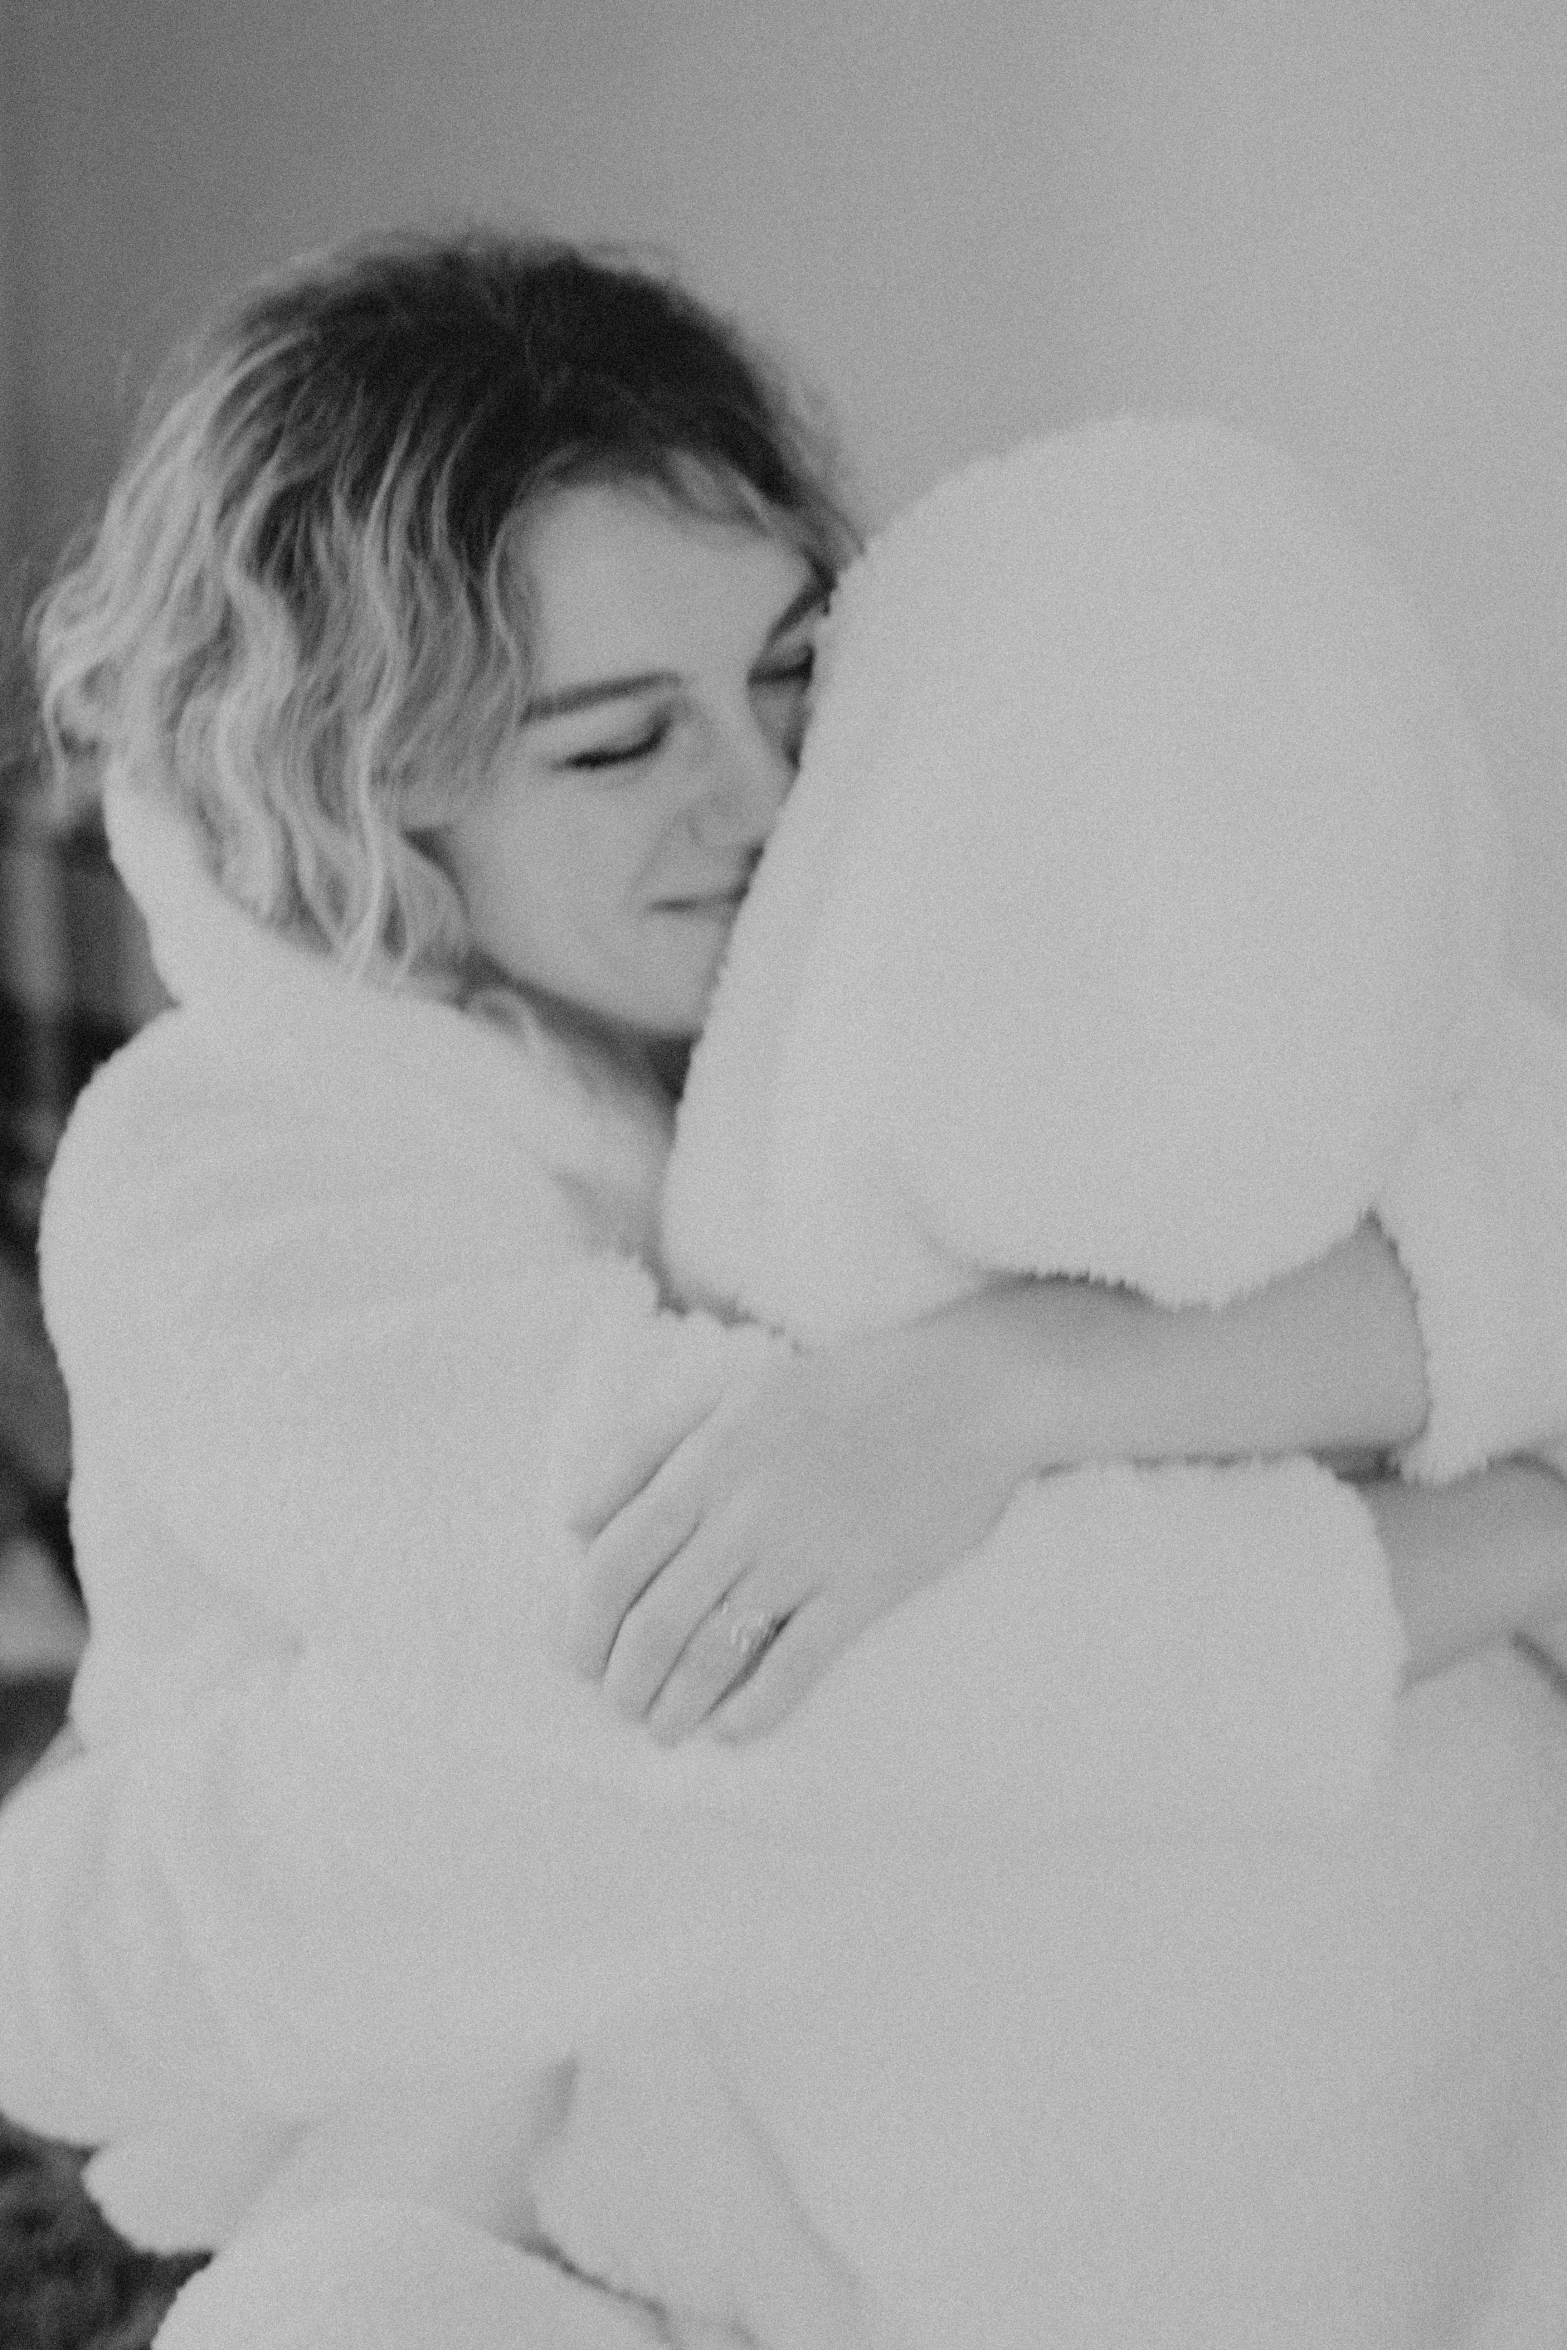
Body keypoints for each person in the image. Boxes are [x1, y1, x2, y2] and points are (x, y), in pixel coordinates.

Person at [2, 226, 1565, 2347]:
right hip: (585, 2183)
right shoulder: (223, 1173)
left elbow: (1506, 1176)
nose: (757, 793)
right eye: (614, 743)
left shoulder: (882, 955)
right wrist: (1503, 1531)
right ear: (361, 783)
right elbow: (787, 1685)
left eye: (791, 669)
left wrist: (999, 1388)